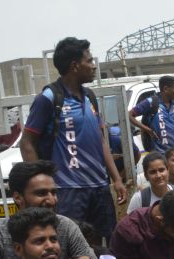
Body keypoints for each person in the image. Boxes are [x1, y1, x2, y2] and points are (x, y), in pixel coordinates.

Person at [20, 37, 127, 240]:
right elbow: (26, 143)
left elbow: (101, 140)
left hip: (99, 188)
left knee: (106, 248)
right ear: (74, 66)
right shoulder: (49, 98)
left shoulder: (90, 97)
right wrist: (42, 186)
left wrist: (117, 179)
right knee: (70, 247)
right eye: (89, 61)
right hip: (68, 191)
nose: (93, 66)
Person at [129, 75, 174, 154]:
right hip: (159, 154)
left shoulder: (173, 103)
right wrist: (148, 130)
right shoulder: (151, 102)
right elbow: (129, 115)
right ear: (166, 89)